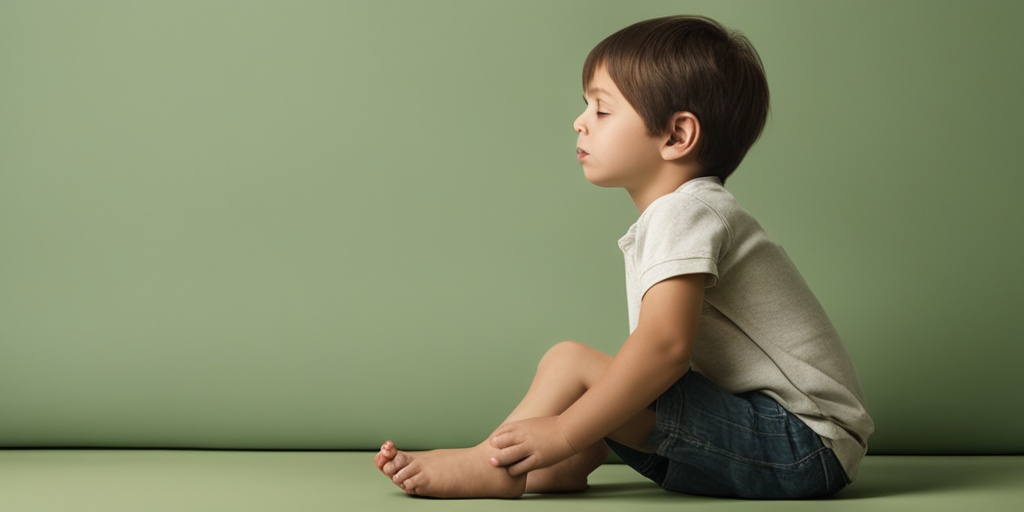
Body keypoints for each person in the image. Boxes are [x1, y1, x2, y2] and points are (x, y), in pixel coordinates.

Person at [373, 14, 873, 500]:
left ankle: (495, 464)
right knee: (602, 375)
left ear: (677, 136)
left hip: (805, 444)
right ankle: (555, 468)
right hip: (781, 445)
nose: (580, 121)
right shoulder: (681, 214)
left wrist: (565, 430)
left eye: (602, 109)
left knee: (572, 362)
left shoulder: (686, 211)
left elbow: (664, 348)